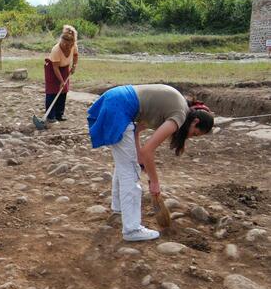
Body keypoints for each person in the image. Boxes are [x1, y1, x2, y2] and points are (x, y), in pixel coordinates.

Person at [87, 84, 214, 241]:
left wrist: (138, 154)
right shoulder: (179, 116)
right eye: (194, 133)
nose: (190, 137)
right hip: (119, 107)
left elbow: (137, 130)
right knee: (130, 170)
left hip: (115, 99)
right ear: (195, 121)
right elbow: (149, 150)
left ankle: (118, 208)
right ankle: (132, 229)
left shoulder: (175, 106)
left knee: (126, 164)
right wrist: (154, 182)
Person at [44, 25, 79, 122]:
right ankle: (50, 116)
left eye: (68, 45)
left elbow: (76, 55)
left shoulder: (74, 46)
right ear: (61, 40)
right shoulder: (56, 50)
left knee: (63, 91)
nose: (65, 46)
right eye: (64, 43)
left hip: (65, 68)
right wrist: (61, 81)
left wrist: (74, 66)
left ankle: (59, 114)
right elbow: (55, 67)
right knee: (52, 91)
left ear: (72, 43)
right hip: (52, 69)